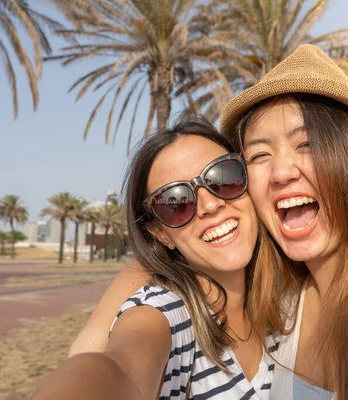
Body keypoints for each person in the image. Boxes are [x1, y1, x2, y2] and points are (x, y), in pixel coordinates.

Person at [65, 45, 348, 400]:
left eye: (307, 145)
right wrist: (93, 341)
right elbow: (121, 366)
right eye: (259, 155)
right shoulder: (283, 299)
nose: (281, 172)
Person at [33, 114, 303, 400]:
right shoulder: (167, 313)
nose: (210, 205)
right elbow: (119, 366)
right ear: (160, 233)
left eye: (223, 177)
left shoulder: (288, 298)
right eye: (175, 202)